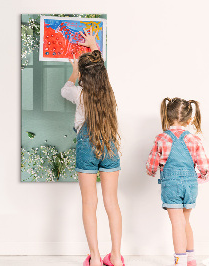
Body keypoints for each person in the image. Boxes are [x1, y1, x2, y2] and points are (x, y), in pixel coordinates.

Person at [61, 28, 125, 266]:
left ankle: (96, 259)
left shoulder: (79, 95)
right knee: (112, 202)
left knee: (89, 203)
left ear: (84, 77)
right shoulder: (108, 93)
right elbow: (100, 69)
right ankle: (116, 258)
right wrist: (94, 46)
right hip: (109, 146)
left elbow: (64, 90)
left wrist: (74, 71)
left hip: (87, 148)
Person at [146, 98, 209, 266]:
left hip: (171, 186)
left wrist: (152, 171)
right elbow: (204, 166)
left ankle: (179, 261)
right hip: (190, 185)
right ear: (189, 120)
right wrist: (203, 176)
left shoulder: (161, 138)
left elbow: (151, 165)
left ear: (167, 117)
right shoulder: (194, 139)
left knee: (177, 224)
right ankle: (191, 259)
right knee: (185, 221)